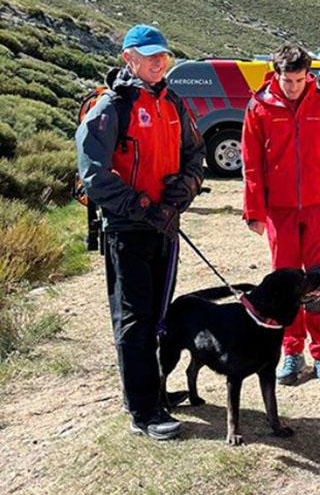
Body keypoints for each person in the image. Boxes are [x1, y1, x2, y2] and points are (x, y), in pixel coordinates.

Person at [76, 24, 205, 440]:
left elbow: (196, 153)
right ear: (128, 58)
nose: (159, 61)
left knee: (158, 315)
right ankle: (143, 411)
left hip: (165, 225)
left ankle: (152, 392)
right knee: (134, 318)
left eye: (163, 55)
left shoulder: (173, 102)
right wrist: (141, 207)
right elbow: (93, 173)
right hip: (128, 229)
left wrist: (182, 191)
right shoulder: (111, 106)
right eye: (149, 55)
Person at [241, 44, 320, 388]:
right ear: (276, 73)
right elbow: (251, 163)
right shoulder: (259, 107)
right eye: (288, 80)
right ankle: (292, 351)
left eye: (300, 79)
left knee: (318, 282)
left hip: (319, 210)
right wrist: (253, 210)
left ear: (308, 75)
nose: (294, 86)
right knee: (285, 284)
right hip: (280, 212)